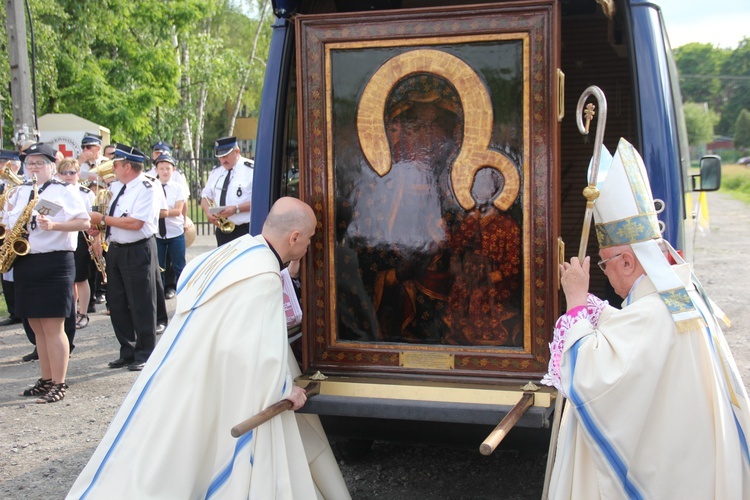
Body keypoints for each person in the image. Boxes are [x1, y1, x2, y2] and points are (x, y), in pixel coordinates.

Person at [68, 197, 350, 499]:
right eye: (308, 238)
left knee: (157, 446)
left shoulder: (237, 251)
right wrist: (284, 391)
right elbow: (256, 352)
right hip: (209, 379)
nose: (309, 246)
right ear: (294, 237)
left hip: (176, 366)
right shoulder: (263, 278)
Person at [542, 138, 750, 499]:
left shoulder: (654, 313)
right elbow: (636, 339)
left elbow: (592, 378)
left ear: (627, 261)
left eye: (605, 263)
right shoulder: (677, 296)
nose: (605, 273)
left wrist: (575, 302)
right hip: (690, 459)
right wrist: (599, 312)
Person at [8, 143, 90, 403]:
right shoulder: (20, 191)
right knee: (36, 326)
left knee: (54, 326)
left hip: (55, 262)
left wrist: (54, 225)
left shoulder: (63, 190)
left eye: (39, 163)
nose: (33, 167)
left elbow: (84, 222)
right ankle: (46, 379)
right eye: (29, 163)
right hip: (27, 261)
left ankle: (59, 382)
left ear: (51, 166)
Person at [87, 143, 166, 372]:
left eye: (117, 164)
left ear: (128, 167)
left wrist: (102, 220)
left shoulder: (146, 187)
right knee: (118, 301)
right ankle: (128, 350)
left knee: (141, 302)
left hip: (138, 248)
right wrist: (99, 229)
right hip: (117, 249)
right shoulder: (118, 187)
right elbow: (114, 218)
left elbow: (135, 223)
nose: (114, 168)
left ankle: (145, 352)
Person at [56, 159, 96, 329]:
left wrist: (96, 240)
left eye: (71, 172)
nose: (68, 176)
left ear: (78, 174)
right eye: (64, 173)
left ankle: (83, 312)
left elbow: (95, 218)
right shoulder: (54, 192)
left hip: (81, 237)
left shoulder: (86, 193)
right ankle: (69, 313)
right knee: (66, 281)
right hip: (61, 237)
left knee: (80, 277)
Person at [200, 136, 253, 246]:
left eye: (226, 155)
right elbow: (205, 196)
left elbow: (260, 201)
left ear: (236, 151)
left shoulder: (251, 170)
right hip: (223, 230)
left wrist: (237, 209)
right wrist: (208, 212)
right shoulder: (216, 171)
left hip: (245, 229)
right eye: (220, 156)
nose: (223, 160)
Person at [154, 153, 187, 292]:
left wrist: (160, 212)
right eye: (161, 168)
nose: (165, 171)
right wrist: (167, 211)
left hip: (175, 232)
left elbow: (178, 210)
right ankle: (160, 297)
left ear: (173, 170)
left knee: (179, 266)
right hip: (157, 234)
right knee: (158, 268)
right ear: (156, 170)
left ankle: (184, 294)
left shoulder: (178, 187)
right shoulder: (152, 187)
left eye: (168, 168)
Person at [0, 148, 24, 326]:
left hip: (15, 232)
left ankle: (20, 309)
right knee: (5, 273)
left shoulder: (22, 185)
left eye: (4, 164)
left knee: (15, 271)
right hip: (3, 230)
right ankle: (13, 310)